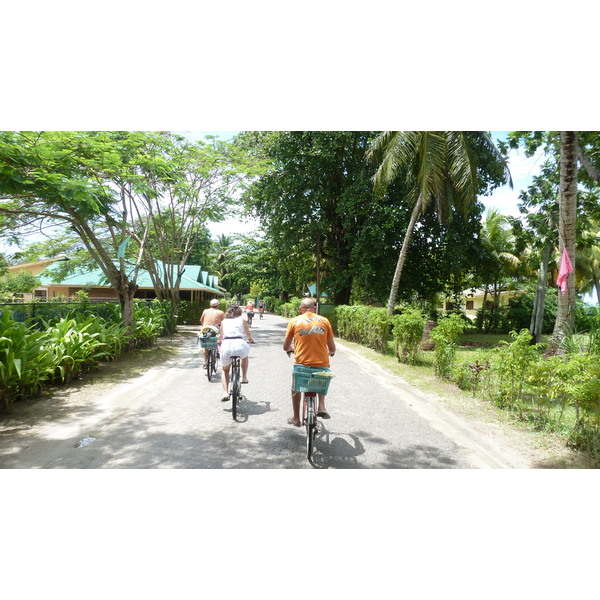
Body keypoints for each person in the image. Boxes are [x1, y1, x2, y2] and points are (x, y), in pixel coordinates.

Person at [282, 297, 336, 427]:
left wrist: (291, 349)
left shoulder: (294, 321)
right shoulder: (324, 321)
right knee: (323, 376)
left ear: (301, 309)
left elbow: (285, 347)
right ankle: (321, 405)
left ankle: (296, 418)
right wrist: (332, 352)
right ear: (315, 309)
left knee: (295, 387)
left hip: (301, 365)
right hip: (321, 363)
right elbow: (332, 348)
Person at [219, 304, 254, 402]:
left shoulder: (224, 321)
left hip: (227, 345)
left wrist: (219, 341)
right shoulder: (242, 320)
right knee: (245, 356)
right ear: (239, 312)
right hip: (240, 344)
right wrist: (250, 339)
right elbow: (247, 333)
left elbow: (221, 336)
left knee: (225, 370)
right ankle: (244, 377)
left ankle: (225, 392)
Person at [200, 298, 225, 368]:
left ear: (210, 305)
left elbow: (201, 321)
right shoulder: (221, 312)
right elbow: (224, 322)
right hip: (216, 330)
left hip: (206, 330)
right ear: (218, 305)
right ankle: (218, 352)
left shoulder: (205, 311)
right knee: (220, 340)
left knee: (205, 347)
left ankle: (205, 362)